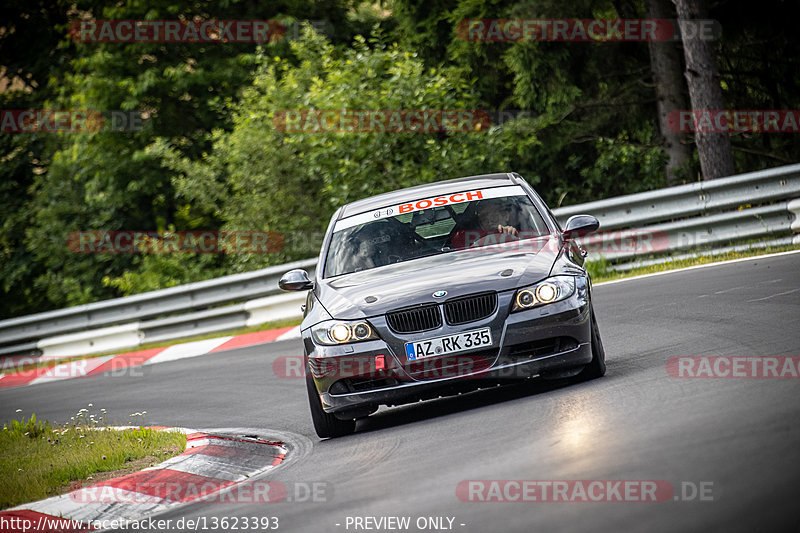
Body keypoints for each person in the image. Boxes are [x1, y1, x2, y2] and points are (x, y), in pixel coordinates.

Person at [451, 198, 520, 249]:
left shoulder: (514, 232)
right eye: (489, 214)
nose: (493, 220)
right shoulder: (464, 236)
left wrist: (511, 235)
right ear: (479, 215)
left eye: (499, 213)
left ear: (507, 216)